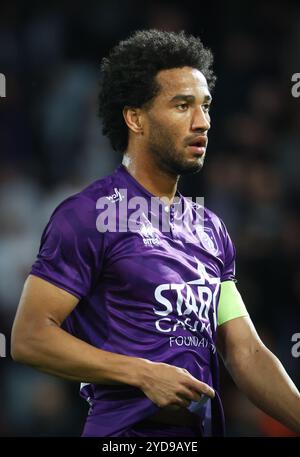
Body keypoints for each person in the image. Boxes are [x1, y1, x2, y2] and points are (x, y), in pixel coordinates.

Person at [11, 29, 300, 437]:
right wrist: (141, 373)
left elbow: (246, 352)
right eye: (183, 106)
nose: (202, 123)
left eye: (206, 106)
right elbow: (29, 337)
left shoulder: (210, 229)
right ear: (135, 118)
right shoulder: (89, 216)